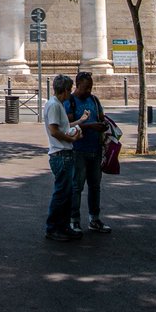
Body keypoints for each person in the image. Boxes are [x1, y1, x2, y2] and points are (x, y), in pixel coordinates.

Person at [65, 71, 112, 234]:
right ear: (77, 85)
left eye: (90, 87)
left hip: (95, 148)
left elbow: (101, 117)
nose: (89, 91)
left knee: (95, 186)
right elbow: (68, 126)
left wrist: (103, 124)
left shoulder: (94, 100)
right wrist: (90, 126)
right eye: (86, 87)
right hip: (78, 150)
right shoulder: (70, 102)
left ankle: (94, 219)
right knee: (77, 187)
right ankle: (74, 221)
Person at [43, 73, 88, 242]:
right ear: (64, 90)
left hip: (64, 153)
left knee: (67, 194)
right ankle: (53, 228)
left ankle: (63, 227)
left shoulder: (58, 104)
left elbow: (64, 126)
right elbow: (54, 130)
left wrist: (80, 121)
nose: (71, 94)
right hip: (61, 154)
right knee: (61, 194)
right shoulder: (54, 105)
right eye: (69, 90)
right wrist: (72, 139)